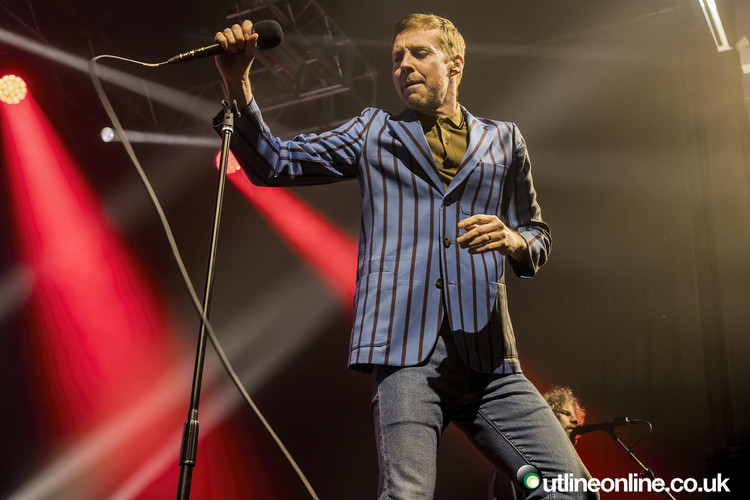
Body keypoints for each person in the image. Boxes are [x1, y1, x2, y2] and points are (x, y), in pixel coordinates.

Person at [213, 13, 595, 499]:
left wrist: (515, 241)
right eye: (397, 58)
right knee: (407, 494)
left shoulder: (504, 139)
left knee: (571, 488)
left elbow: (536, 233)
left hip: (490, 356)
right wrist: (238, 83)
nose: (404, 66)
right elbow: (275, 162)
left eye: (419, 53)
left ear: (455, 63)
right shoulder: (373, 131)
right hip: (405, 354)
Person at [490, 386, 587, 499]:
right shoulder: (517, 460)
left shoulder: (569, 469)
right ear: (549, 416)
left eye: (575, 417)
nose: (575, 420)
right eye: (566, 413)